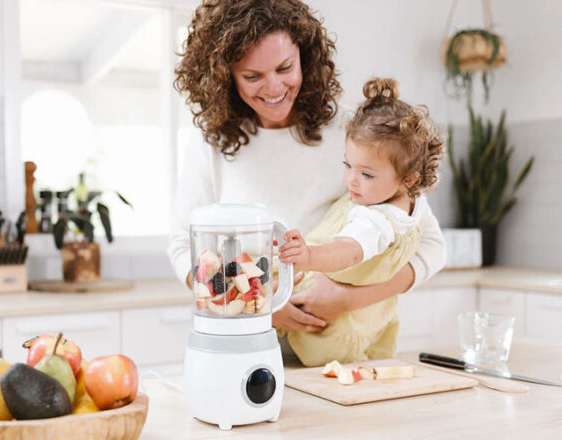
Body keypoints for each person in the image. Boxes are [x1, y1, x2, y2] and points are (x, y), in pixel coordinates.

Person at [167, 0, 446, 357]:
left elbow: (431, 246)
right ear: (225, 77)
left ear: (306, 57)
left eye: (285, 67)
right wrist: (262, 302)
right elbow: (181, 246)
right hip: (247, 346)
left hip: (338, 351)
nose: (273, 88)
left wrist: (348, 299)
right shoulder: (213, 144)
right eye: (252, 76)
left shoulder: (355, 134)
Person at [278, 78, 445, 366]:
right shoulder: (406, 203)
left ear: (408, 179)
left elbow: (350, 249)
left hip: (327, 333)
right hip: (362, 325)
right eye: (347, 165)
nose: (351, 180)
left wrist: (309, 256)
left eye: (366, 174)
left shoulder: (377, 219)